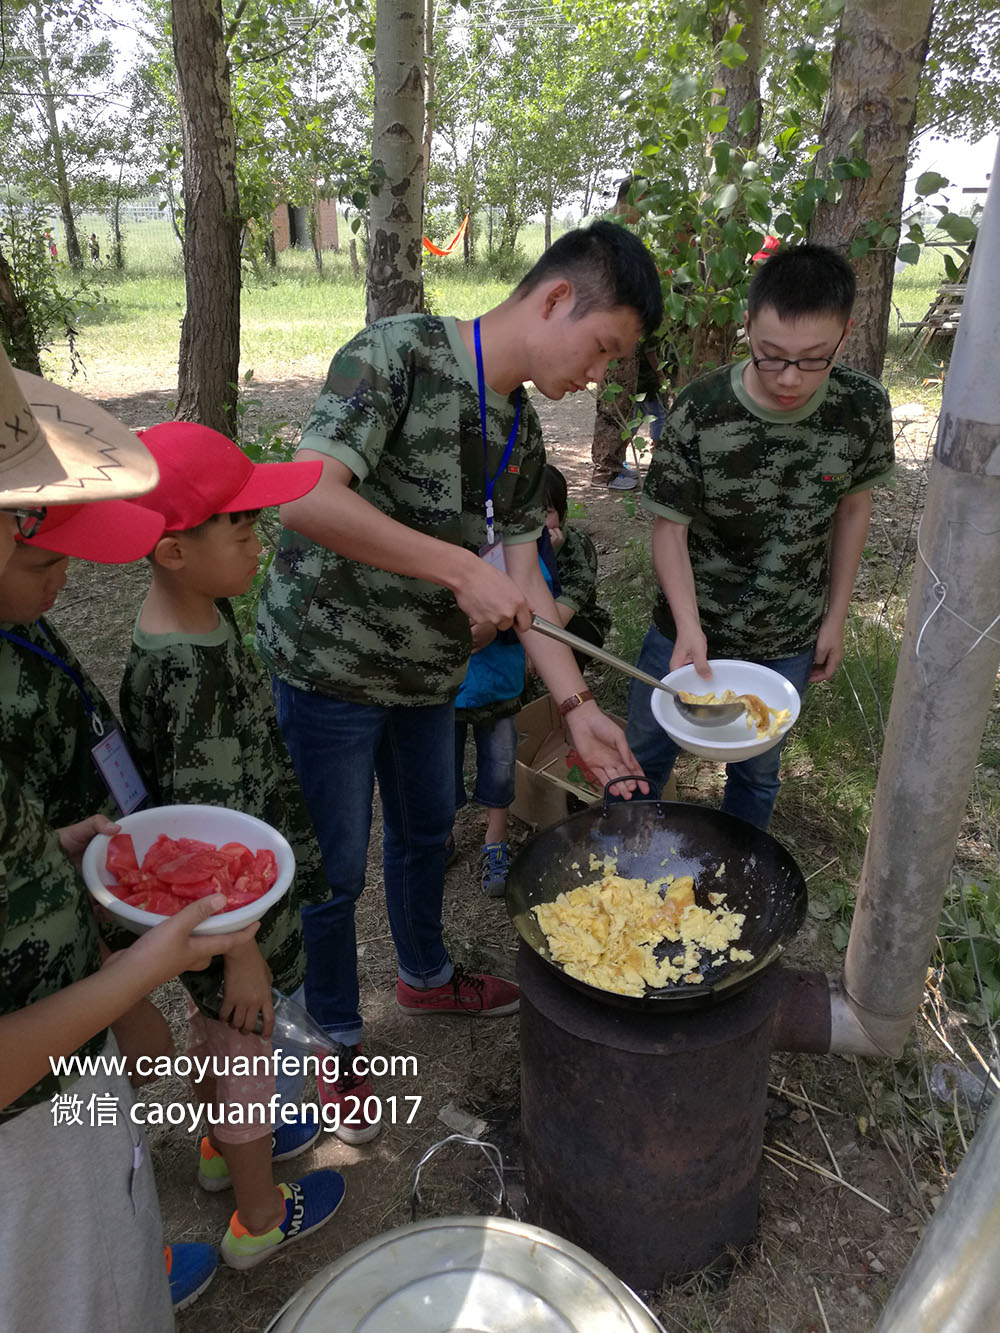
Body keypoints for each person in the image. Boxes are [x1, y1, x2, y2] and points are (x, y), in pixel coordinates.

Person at [256, 221, 662, 1128]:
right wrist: (453, 566)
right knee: (332, 866)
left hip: (427, 680)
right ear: (556, 298)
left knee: (422, 830)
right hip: (329, 667)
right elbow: (305, 494)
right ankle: (330, 1039)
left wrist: (580, 705)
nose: (599, 374)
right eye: (603, 347)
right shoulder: (395, 356)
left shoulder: (519, 435)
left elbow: (525, 588)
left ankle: (425, 976)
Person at [0, 347, 257, 1327]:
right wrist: (138, 969)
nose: (52, 559)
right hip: (30, 1151)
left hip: (66, 1075)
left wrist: (48, 854)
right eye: (28, 536)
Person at [119, 421, 351, 1269]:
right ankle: (258, 1211)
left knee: (220, 1040)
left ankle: (221, 1150)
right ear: (173, 551)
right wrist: (244, 950)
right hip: (228, 923)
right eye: (241, 528)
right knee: (245, 1043)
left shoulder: (193, 622)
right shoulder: (190, 678)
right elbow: (206, 844)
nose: (260, 542)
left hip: (208, 926)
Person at [626, 243, 895, 829]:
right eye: (771, 356)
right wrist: (690, 624)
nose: (790, 378)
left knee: (757, 771)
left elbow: (854, 510)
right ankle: (626, 873)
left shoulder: (862, 408)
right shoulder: (701, 409)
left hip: (788, 632)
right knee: (641, 757)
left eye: (813, 359)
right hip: (687, 624)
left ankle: (738, 890)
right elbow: (669, 529)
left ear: (844, 337)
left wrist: (835, 617)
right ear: (747, 326)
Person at [590, 177, 667, 489]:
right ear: (633, 198)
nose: (648, 209)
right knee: (615, 400)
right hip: (613, 330)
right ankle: (605, 472)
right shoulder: (613, 233)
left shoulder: (622, 231)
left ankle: (613, 464)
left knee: (622, 401)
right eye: (646, 200)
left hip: (623, 330)